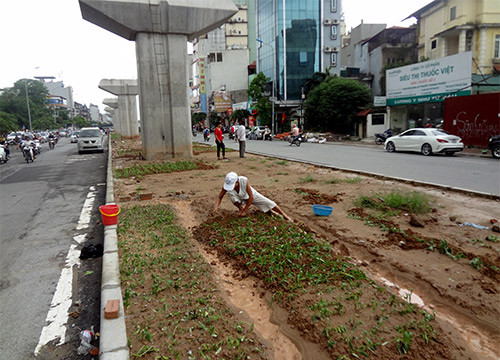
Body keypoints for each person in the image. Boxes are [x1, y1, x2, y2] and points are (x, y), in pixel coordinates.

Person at [213, 172, 293, 222]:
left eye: (233, 185)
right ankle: (240, 209)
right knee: (233, 198)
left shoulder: (244, 180)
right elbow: (220, 197)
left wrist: (246, 210)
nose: (231, 187)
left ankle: (285, 216)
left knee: (269, 203)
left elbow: (251, 197)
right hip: (240, 198)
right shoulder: (225, 186)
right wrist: (216, 207)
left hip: (251, 195)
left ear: (237, 181)